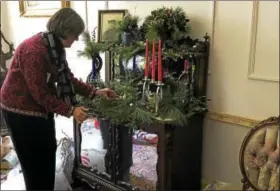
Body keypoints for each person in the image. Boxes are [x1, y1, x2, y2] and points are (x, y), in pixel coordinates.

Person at [0, 8, 117, 190]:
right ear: (64, 31)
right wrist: (71, 110)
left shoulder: (54, 47)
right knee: (33, 163)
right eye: (75, 34)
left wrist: (95, 92)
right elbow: (40, 94)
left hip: (38, 108)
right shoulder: (34, 52)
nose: (77, 39)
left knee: (48, 152)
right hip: (18, 110)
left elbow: (68, 78)